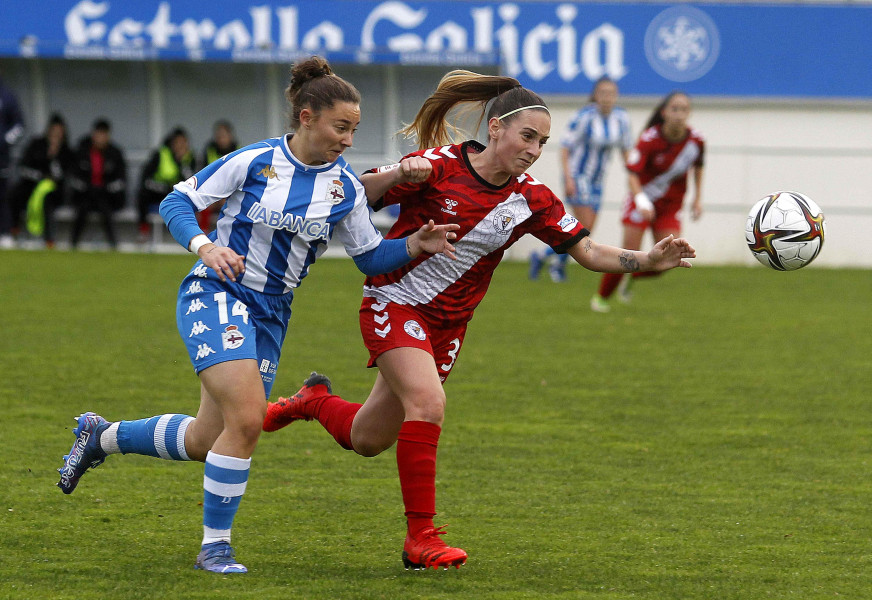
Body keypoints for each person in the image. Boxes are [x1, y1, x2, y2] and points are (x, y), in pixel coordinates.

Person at [263, 71, 696, 570]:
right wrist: (402, 174)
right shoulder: (440, 165)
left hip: (448, 327)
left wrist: (646, 260)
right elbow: (358, 193)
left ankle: (313, 401)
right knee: (428, 402)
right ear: (495, 129)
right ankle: (420, 538)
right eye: (527, 136)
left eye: (543, 142)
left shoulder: (533, 198)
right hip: (395, 302)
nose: (534, 150)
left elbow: (590, 250)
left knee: (368, 438)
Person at [55, 56, 459, 575]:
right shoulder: (254, 161)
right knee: (247, 420)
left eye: (355, 130)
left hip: (272, 314)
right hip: (217, 292)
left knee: (207, 439)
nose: (348, 140)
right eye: (341, 127)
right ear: (307, 117)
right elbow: (178, 202)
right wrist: (205, 247)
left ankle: (101, 435)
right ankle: (215, 547)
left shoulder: (346, 190)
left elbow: (369, 256)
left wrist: (415, 246)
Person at [592, 90, 704, 313]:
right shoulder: (649, 138)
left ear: (689, 113)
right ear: (664, 112)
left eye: (683, 109)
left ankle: (631, 278)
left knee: (667, 259)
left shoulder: (696, 141)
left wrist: (697, 198)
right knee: (627, 254)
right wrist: (641, 200)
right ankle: (601, 299)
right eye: (674, 109)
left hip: (670, 206)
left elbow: (698, 167)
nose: (679, 114)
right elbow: (632, 173)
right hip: (641, 202)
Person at [530, 76, 631, 283]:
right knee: (583, 226)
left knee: (586, 229)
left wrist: (633, 177)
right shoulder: (584, 117)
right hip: (579, 176)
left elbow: (626, 151)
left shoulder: (621, 119)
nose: (607, 98)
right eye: (602, 93)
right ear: (595, 95)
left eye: (611, 93)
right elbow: (565, 147)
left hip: (598, 179)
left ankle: (542, 256)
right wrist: (569, 178)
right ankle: (557, 266)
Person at [3, 113, 73, 247]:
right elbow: (24, 167)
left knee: (46, 200)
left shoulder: (65, 151)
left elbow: (63, 176)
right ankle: (12, 231)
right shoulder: (37, 144)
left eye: (59, 132)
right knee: (14, 194)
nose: (56, 135)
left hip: (53, 191)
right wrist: (40, 174)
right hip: (31, 186)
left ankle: (49, 240)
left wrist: (53, 158)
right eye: (54, 131)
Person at [69, 119, 127, 250]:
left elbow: (121, 180)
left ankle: (113, 245)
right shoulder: (82, 152)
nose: (100, 138)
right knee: (82, 209)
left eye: (103, 134)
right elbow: (74, 177)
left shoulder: (115, 154)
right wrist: (88, 188)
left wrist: (104, 189)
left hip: (107, 196)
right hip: (85, 195)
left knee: (105, 208)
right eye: (98, 134)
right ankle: (73, 244)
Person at [138, 127, 197, 242]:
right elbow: (146, 178)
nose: (180, 146)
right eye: (177, 142)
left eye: (183, 142)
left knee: (192, 199)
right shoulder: (161, 154)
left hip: (177, 193)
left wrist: (182, 162)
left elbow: (191, 181)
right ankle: (143, 231)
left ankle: (189, 234)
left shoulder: (190, 158)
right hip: (157, 191)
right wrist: (164, 187)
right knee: (142, 195)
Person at [196, 120, 239, 233]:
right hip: (213, 190)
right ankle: (202, 234)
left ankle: (231, 234)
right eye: (219, 136)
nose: (222, 139)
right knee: (203, 204)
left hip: (232, 191)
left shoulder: (239, 150)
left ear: (230, 136)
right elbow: (203, 173)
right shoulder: (209, 150)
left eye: (224, 136)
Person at [0, 72, 26, 248]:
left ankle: (5, 232)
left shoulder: (7, 96)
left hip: (1, 157)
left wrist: (4, 141)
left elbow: (19, 124)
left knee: (2, 195)